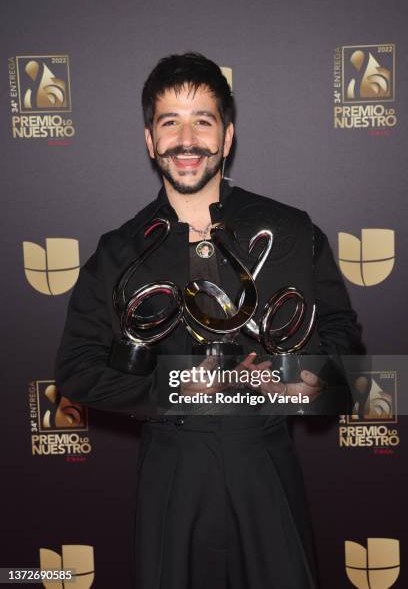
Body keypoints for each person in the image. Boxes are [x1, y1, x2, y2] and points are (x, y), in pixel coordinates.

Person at [55, 52, 362, 589]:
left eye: (204, 120)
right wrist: (172, 387)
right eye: (169, 121)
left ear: (227, 135)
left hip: (265, 460)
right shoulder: (118, 251)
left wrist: (311, 377)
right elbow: (77, 369)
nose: (187, 138)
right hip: (173, 472)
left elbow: (345, 341)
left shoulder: (289, 231)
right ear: (150, 141)